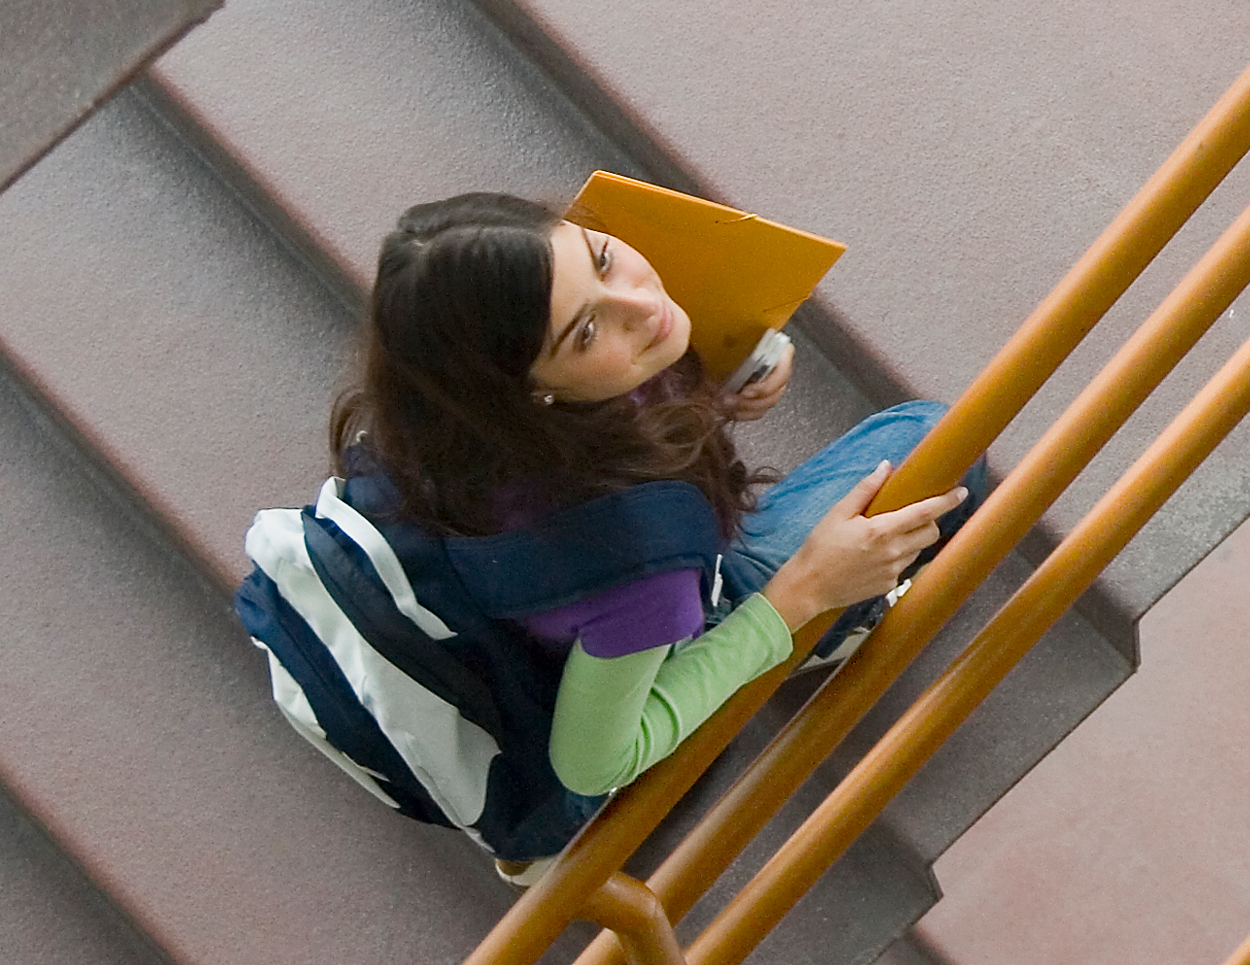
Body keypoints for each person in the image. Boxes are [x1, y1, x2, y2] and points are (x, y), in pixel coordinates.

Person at [336, 193, 965, 823]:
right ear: (533, 393)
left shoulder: (442, 423)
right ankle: (818, 632)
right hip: (622, 656)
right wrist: (804, 594)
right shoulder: (637, 563)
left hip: (510, 621)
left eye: (603, 258)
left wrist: (719, 376)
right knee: (941, 443)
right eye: (585, 332)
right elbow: (591, 764)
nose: (642, 305)